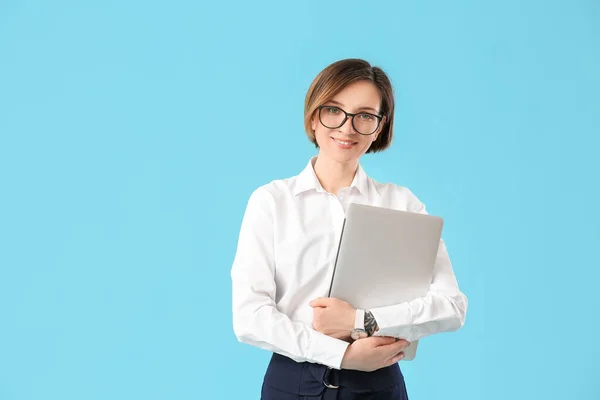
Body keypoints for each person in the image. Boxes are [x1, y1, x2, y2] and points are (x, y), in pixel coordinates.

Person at [230, 58, 468, 399]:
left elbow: (451, 306)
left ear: (381, 126)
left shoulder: (401, 204)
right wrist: (341, 355)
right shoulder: (272, 201)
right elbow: (250, 316)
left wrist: (360, 320)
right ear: (314, 116)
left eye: (365, 116)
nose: (347, 127)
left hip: (377, 385)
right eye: (334, 111)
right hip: (292, 383)